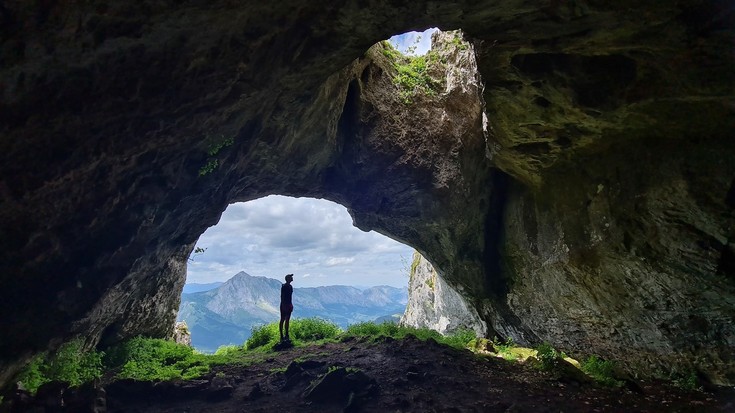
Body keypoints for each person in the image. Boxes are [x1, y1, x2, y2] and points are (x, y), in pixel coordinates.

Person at [279, 273, 294, 342]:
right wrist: (285, 305)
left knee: (286, 320)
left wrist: (290, 304)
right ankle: (282, 335)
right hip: (285, 305)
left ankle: (286, 334)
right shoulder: (285, 287)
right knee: (283, 320)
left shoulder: (290, 286)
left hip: (287, 305)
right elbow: (282, 297)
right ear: (288, 279)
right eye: (291, 277)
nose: (292, 278)